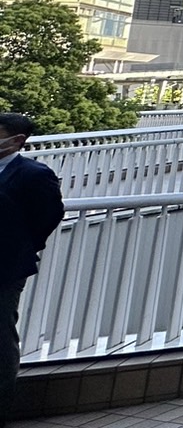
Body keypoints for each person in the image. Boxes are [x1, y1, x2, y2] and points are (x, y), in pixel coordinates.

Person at [1, 113, 64, 419]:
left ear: (16, 141)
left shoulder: (34, 174)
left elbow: (48, 217)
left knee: (0, 337)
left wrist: (19, 249)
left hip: (5, 268)